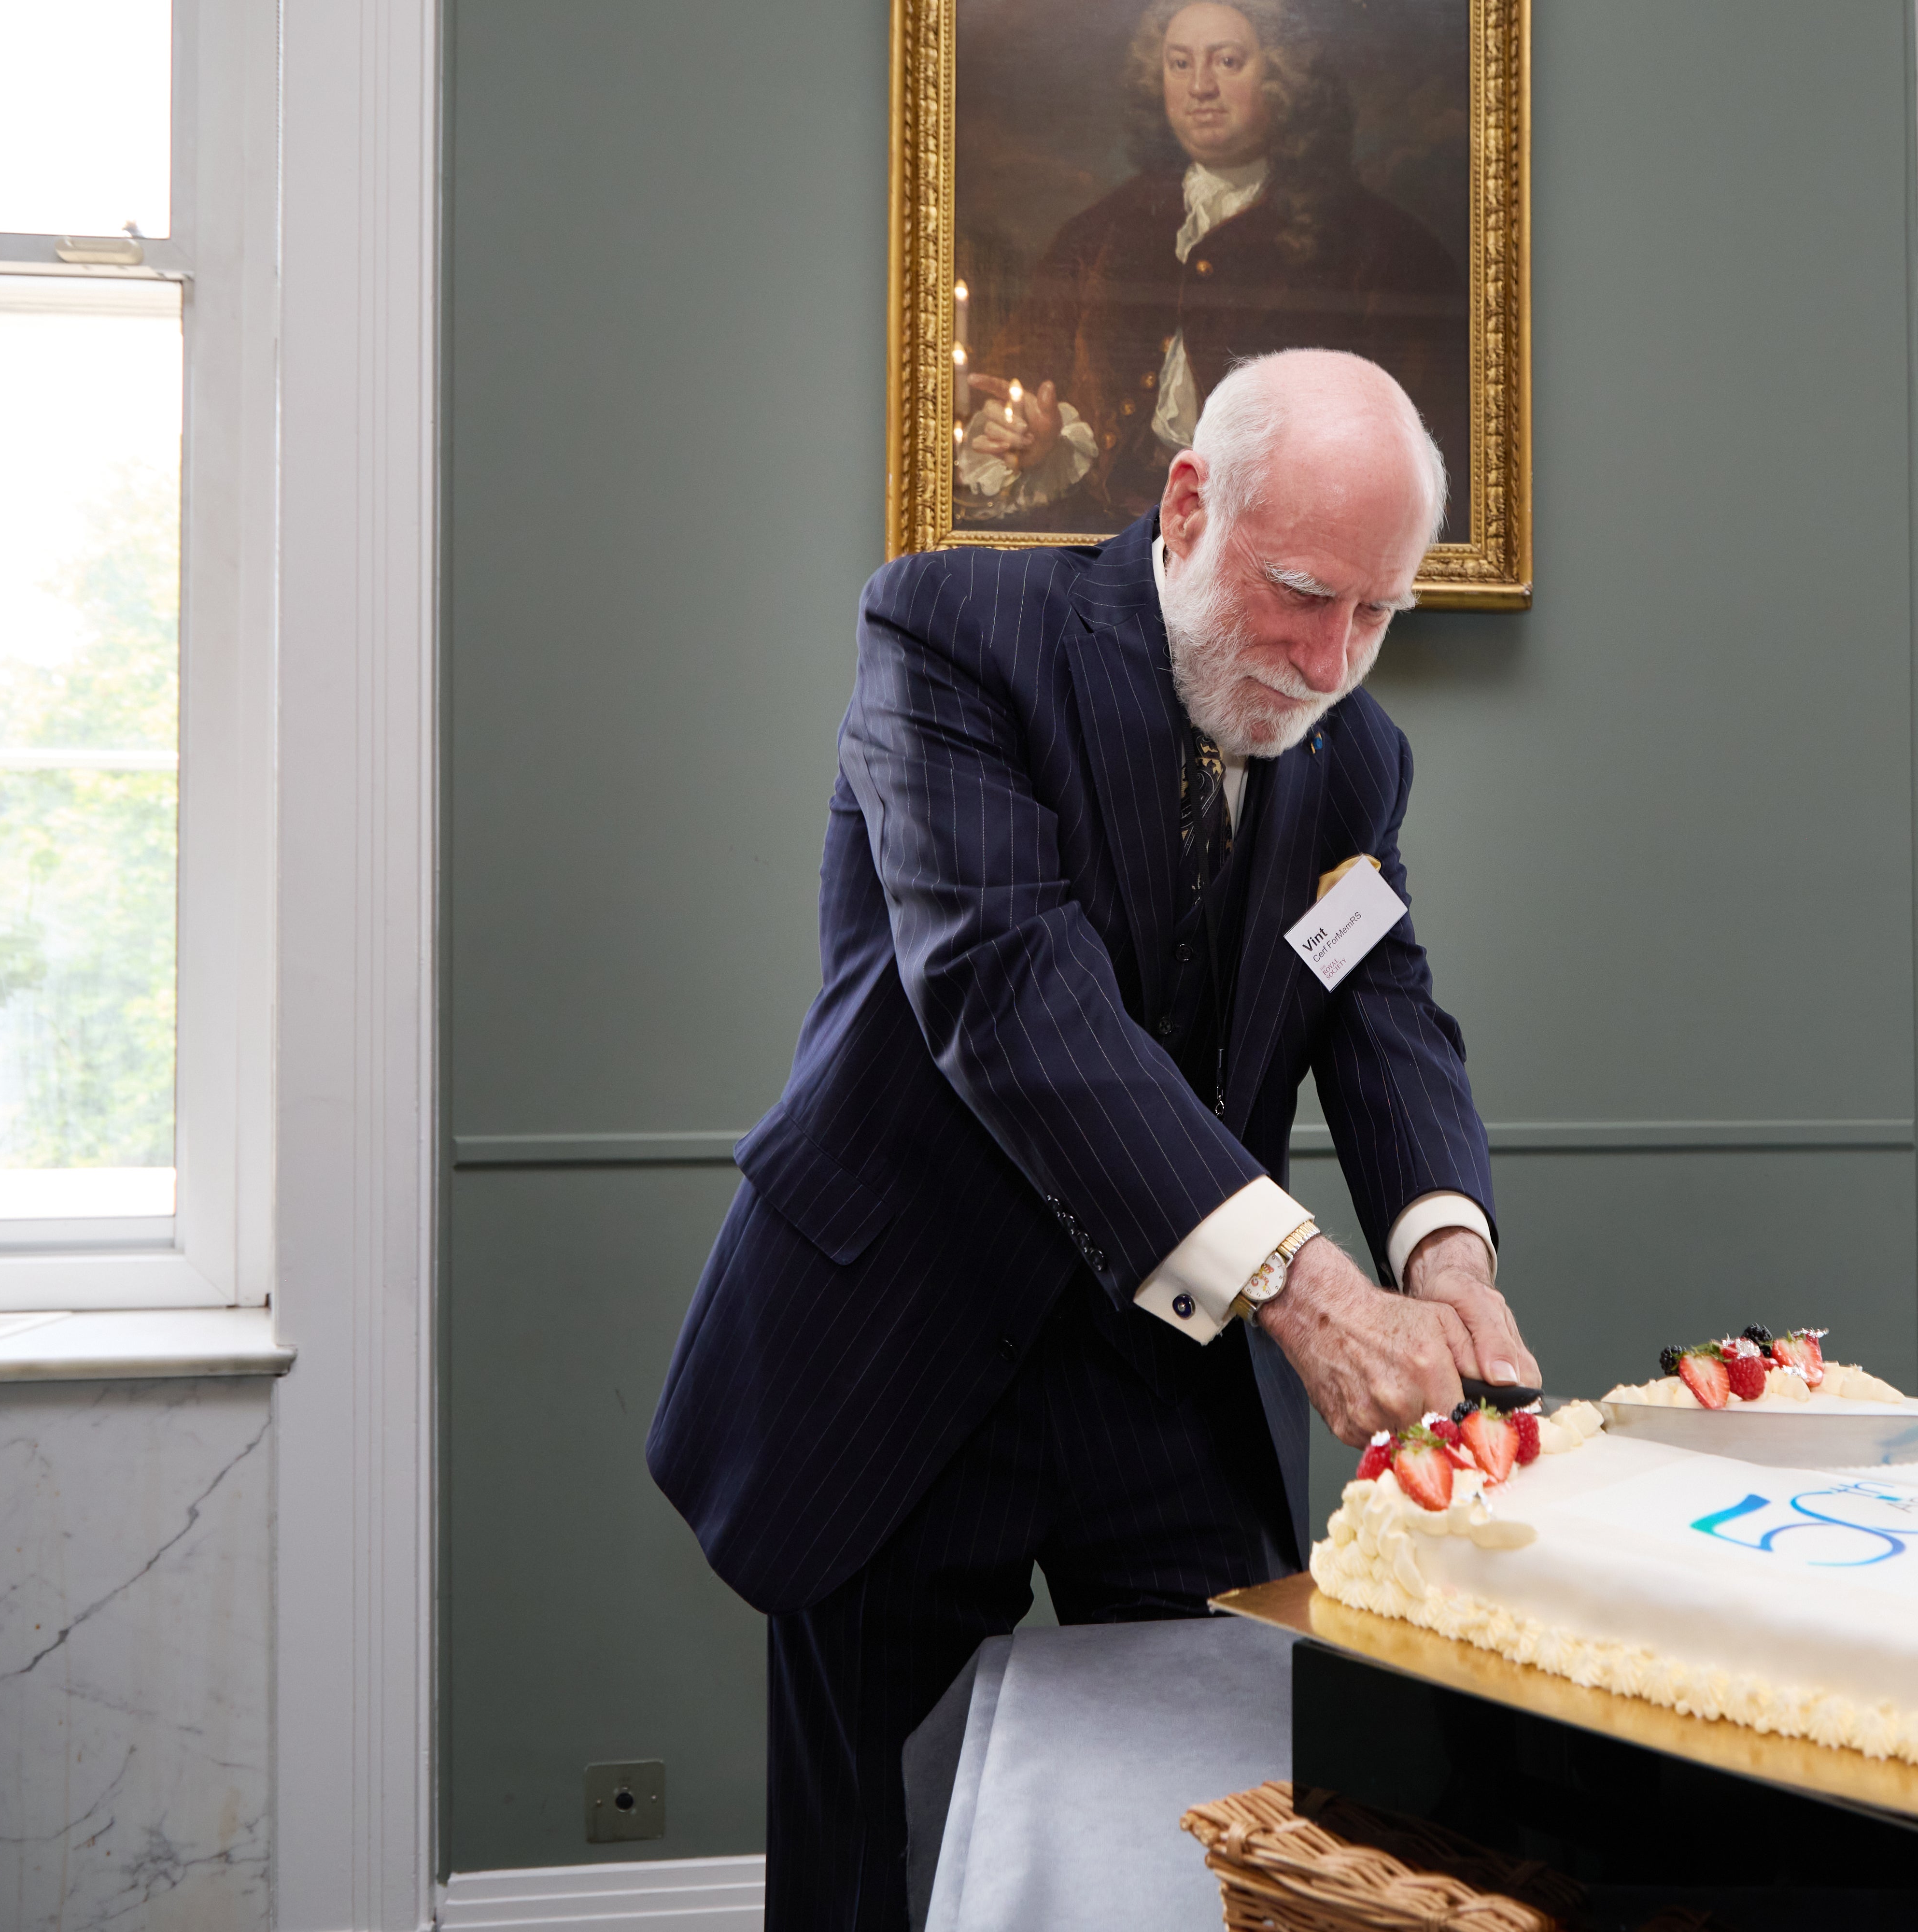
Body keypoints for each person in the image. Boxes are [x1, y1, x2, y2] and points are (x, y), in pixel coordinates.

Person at [647, 349, 1534, 1931]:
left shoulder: (1355, 756)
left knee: (1236, 1832)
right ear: (1191, 504)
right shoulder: (954, 634)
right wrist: (1314, 1288)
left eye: (1379, 615)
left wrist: (1446, 1248)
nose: (1333, 660)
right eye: (1303, 593)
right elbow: (1005, 995)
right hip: (898, 1350)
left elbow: (1379, 1004)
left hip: (1164, 1382)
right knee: (869, 1865)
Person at [958, 0, 1468, 538]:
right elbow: (1014, 389)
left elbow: (1417, 458)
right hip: (1109, 556)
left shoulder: (1382, 248)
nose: (1200, 86)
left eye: (1227, 62)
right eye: (1180, 64)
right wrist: (1030, 442)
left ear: (1281, 76)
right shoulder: (1095, 236)